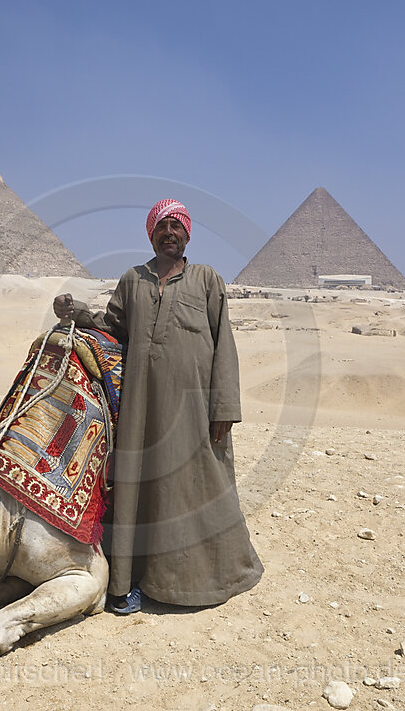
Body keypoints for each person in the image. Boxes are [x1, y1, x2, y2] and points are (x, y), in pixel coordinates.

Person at [53, 199, 262, 614]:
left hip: (196, 408)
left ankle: (211, 579)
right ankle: (131, 584)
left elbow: (225, 346)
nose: (169, 231)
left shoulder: (206, 279)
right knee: (142, 489)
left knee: (197, 488)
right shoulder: (133, 280)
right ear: (151, 234)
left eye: (176, 225)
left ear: (187, 234)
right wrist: (75, 312)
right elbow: (112, 325)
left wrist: (224, 407)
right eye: (161, 226)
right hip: (142, 410)